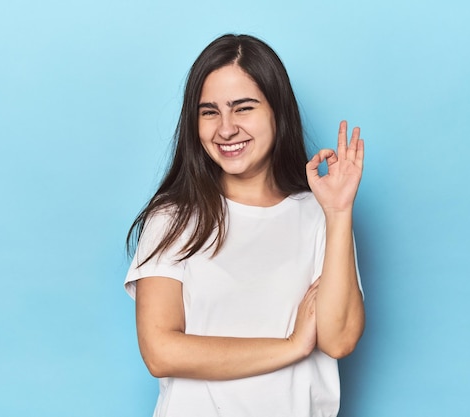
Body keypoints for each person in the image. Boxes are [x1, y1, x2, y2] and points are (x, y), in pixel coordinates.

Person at [125, 33, 365, 417]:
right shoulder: (172, 217)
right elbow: (160, 352)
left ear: (277, 111)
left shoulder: (319, 214)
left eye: (243, 108)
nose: (225, 129)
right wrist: (291, 346)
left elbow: (338, 340)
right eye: (209, 112)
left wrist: (338, 212)